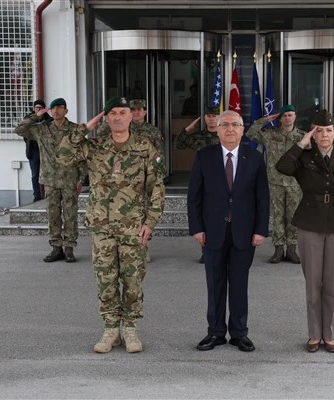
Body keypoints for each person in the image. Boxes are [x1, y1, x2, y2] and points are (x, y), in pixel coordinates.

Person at [56, 96, 166, 353]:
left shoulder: (144, 147)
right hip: (102, 228)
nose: (118, 117)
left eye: (123, 112)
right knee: (105, 280)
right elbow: (62, 155)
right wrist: (84, 128)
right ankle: (110, 330)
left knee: (133, 279)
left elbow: (157, 188)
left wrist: (151, 222)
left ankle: (130, 330)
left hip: (133, 228)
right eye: (112, 113)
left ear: (131, 116)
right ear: (106, 118)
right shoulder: (94, 146)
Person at [276, 110, 334, 353]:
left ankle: (329, 335)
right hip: (310, 224)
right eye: (319, 130)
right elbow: (281, 166)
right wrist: (301, 144)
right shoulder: (303, 157)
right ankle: (314, 334)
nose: (325, 135)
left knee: (332, 285)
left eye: (329, 130)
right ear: (313, 133)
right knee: (313, 284)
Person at [187, 110, 270, 352]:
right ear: (217, 129)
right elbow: (195, 197)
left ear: (243, 130)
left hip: (244, 232)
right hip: (213, 232)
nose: (230, 129)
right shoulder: (204, 156)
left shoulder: (254, 158)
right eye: (225, 125)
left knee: (239, 284)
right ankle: (214, 333)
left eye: (236, 125)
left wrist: (261, 230)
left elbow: (262, 198)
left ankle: (239, 333)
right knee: (215, 284)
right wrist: (197, 228)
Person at [15, 98, 84, 263]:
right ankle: (56, 248)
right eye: (54, 108)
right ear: (50, 111)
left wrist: (81, 179)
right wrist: (36, 116)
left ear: (66, 111)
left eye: (61, 107)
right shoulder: (42, 129)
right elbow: (19, 130)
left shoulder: (74, 130)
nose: (57, 111)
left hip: (69, 179)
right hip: (50, 180)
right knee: (53, 215)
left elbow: (83, 155)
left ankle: (69, 248)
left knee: (70, 215)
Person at [97, 98, 165, 263]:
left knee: (143, 211)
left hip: (143, 177)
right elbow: (100, 137)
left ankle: (143, 244)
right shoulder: (120, 125)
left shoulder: (152, 131)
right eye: (133, 110)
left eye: (139, 109)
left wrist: (159, 173)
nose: (136, 112)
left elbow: (158, 154)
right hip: (120, 177)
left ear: (145, 112)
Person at [246, 104, 304, 263]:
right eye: (284, 116)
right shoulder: (270, 134)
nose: (287, 118)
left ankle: (292, 249)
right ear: (280, 118)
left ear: (295, 117)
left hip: (294, 183)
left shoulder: (302, 137)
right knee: (278, 216)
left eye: (290, 115)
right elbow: (250, 133)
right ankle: (278, 249)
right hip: (275, 182)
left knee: (293, 217)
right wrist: (265, 119)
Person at [175, 105, 221, 263]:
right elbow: (178, 144)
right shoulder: (198, 136)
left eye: (214, 115)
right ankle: (206, 251)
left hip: (223, 180)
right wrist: (187, 129)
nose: (211, 118)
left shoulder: (225, 135)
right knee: (205, 216)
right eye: (208, 115)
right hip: (203, 180)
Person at [24, 99, 52, 202]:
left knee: (47, 173)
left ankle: (47, 194)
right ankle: (37, 195)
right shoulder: (29, 119)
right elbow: (23, 131)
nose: (38, 110)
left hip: (46, 150)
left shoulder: (49, 120)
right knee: (35, 174)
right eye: (36, 108)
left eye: (40, 108)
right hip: (34, 150)